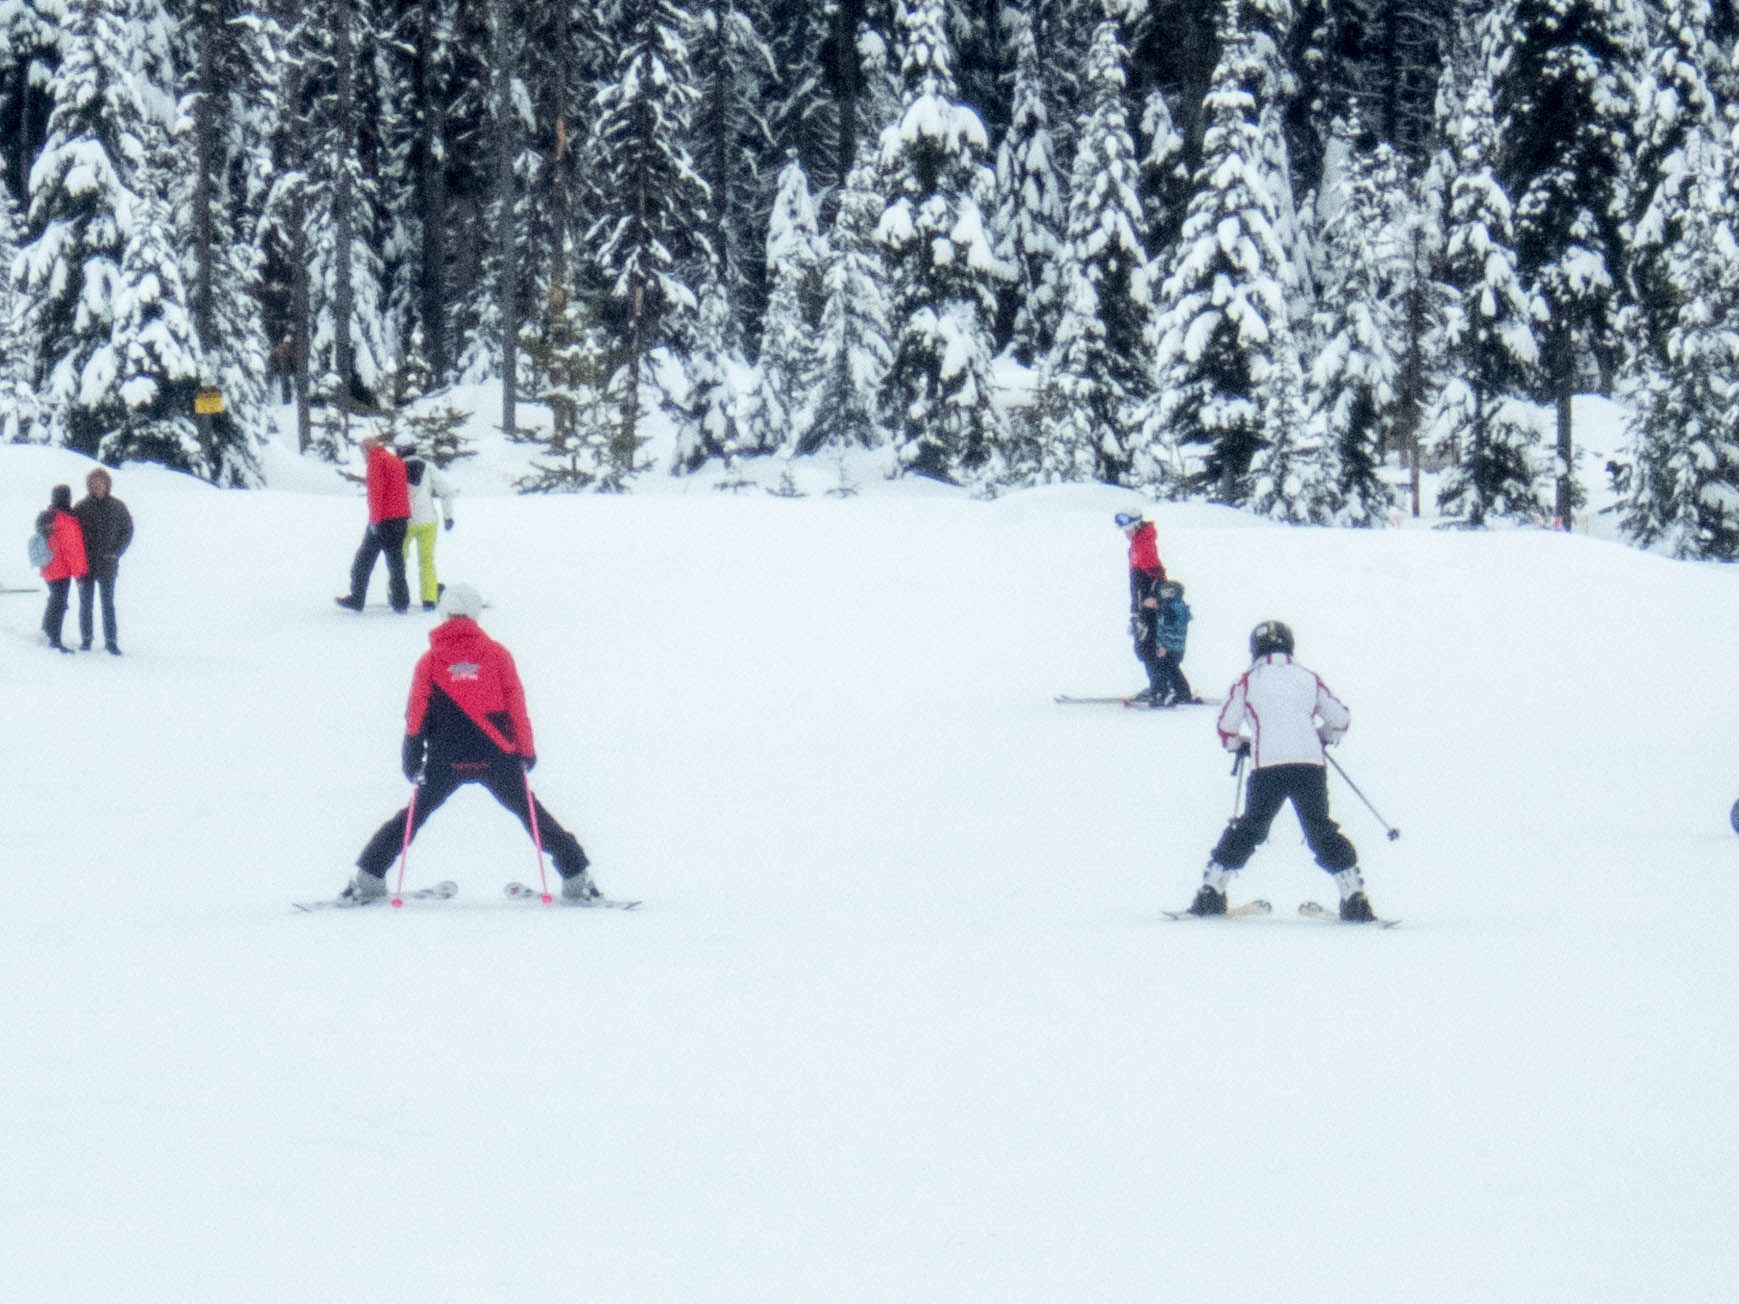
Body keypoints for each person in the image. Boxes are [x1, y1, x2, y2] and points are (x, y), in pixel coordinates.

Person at [342, 582, 605, 904]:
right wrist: (527, 751)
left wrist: (411, 759)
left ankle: (368, 876)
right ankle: (578, 878)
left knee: (414, 815)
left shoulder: (431, 660)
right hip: (498, 755)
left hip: (444, 757)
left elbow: (416, 714)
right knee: (532, 815)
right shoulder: (497, 655)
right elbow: (516, 707)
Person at [1183, 620, 1377, 922]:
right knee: (1320, 830)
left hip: (1268, 766)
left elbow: (1226, 726)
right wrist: (1321, 737)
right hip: (1309, 766)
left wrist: (1238, 744)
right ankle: (1354, 896)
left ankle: (1211, 890)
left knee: (1250, 828)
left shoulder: (1248, 680)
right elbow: (1340, 719)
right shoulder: (1308, 678)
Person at [336, 435, 412, 613]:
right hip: (400, 519)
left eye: (362, 451)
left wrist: (375, 521)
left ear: (367, 449)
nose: (362, 455)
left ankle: (357, 598)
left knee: (363, 561)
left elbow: (376, 494)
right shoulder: (394, 460)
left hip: (383, 520)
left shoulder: (376, 462)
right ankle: (401, 602)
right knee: (396, 563)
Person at [72, 467, 134, 654]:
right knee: (86, 604)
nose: (98, 486)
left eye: (102, 483)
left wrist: (116, 552)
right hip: (86, 564)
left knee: (108, 603)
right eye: (94, 483)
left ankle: (111, 640)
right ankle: (86, 639)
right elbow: (72, 535)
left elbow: (128, 530)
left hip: (108, 563)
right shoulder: (81, 507)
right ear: (89, 485)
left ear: (107, 485)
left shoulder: (118, 506)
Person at [396, 439, 456, 611]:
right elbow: (446, 491)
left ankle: (397, 596)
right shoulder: (428, 467)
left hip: (404, 521)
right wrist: (448, 516)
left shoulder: (396, 466)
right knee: (427, 561)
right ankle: (429, 598)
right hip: (428, 520)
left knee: (399, 561)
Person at [1115, 510, 1168, 703]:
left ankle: (1160, 688)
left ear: (1136, 525)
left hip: (1148, 607)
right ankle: (1159, 686)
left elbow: (1158, 573)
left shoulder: (1143, 544)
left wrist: (1153, 596)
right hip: (1141, 605)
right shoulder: (1138, 544)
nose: (1125, 533)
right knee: (1144, 646)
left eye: (1127, 528)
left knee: (1147, 646)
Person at [36, 485, 88, 653]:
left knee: (55, 600)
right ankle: (54, 638)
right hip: (61, 568)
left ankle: (47, 632)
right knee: (59, 603)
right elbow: (71, 549)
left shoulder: (49, 516)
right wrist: (79, 574)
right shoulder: (64, 519)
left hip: (49, 566)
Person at [1150, 580, 1200, 707]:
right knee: (1173, 670)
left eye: (1168, 592)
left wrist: (1163, 646)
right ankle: (1182, 693)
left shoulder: (1172, 608)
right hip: (1177, 647)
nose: (1165, 595)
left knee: (1162, 669)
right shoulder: (1179, 607)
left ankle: (1161, 693)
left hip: (1169, 647)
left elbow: (1168, 626)